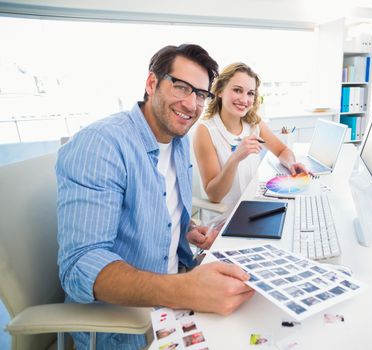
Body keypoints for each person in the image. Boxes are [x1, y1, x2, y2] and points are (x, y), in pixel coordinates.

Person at [56, 44, 254, 349]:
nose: (192, 104)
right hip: (128, 325)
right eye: (181, 87)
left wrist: (187, 230)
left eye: (201, 94)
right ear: (152, 84)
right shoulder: (101, 145)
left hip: (177, 292)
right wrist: (185, 289)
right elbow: (80, 265)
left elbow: (155, 211)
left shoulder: (177, 142)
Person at [193, 62, 308, 205]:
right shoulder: (205, 130)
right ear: (220, 91)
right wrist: (235, 158)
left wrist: (291, 163)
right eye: (237, 90)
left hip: (253, 206)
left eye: (250, 93)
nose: (244, 100)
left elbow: (282, 150)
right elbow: (214, 195)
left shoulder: (254, 124)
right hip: (224, 219)